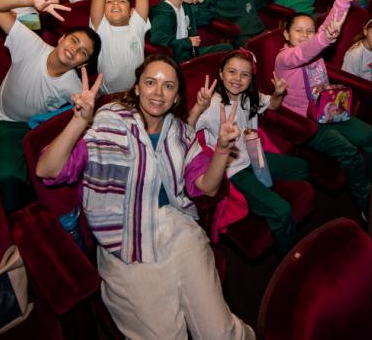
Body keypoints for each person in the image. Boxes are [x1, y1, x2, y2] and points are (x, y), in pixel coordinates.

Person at [36, 54, 254, 339]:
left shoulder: (179, 132)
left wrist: (223, 149)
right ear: (137, 87)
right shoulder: (108, 122)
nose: (158, 92)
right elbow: (46, 169)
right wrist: (79, 120)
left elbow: (208, 187)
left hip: (178, 230)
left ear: (176, 97)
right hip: (123, 239)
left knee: (221, 334)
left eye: (168, 86)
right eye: (151, 82)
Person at [275, 0, 372, 214]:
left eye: (310, 31)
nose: (305, 36)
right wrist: (323, 38)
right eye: (298, 31)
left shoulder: (316, 43)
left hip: (329, 109)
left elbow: (326, 28)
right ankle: (367, 202)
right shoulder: (284, 58)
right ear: (286, 34)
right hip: (305, 120)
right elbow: (305, 51)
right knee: (350, 153)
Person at [0, 0, 99, 214]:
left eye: (82, 52)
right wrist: (30, 0)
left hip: (40, 127)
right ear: (61, 38)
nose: (74, 50)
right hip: (7, 121)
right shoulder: (30, 44)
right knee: (7, 176)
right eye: (74, 41)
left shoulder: (74, 87)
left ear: (82, 64)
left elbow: (85, 123)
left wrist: (82, 112)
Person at [190, 49, 309, 254]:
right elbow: (185, 131)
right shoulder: (212, 105)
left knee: (303, 167)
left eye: (244, 74)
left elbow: (271, 104)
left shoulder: (248, 96)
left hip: (254, 156)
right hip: (234, 170)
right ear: (221, 73)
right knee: (282, 211)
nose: (237, 79)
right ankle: (289, 255)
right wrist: (198, 108)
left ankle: (267, 191)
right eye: (232, 72)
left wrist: (278, 94)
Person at [150, 0, 231, 62]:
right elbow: (159, 42)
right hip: (174, 60)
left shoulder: (186, 6)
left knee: (228, 48)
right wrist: (188, 42)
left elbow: (206, 19)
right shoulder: (162, 13)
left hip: (191, 53)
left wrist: (204, 1)